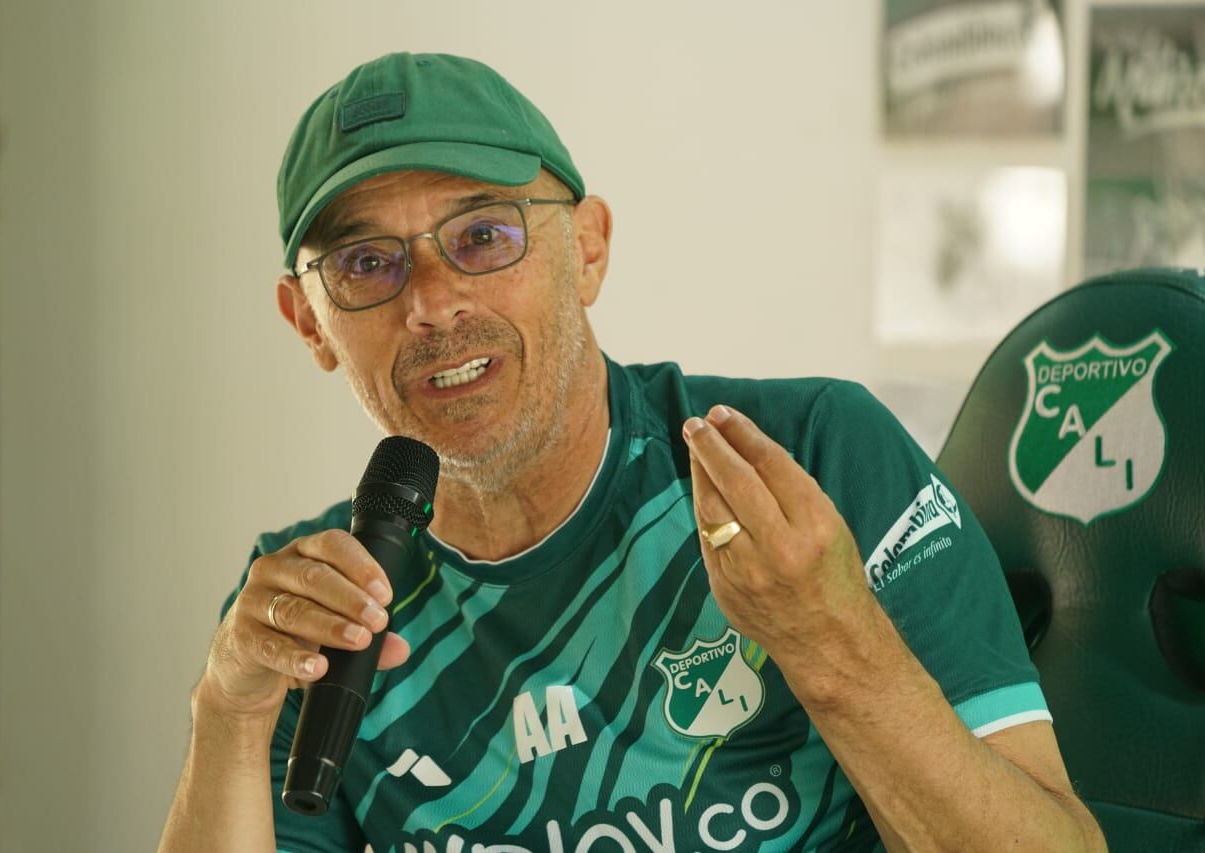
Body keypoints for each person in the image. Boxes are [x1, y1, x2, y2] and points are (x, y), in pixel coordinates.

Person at [159, 53, 1107, 852]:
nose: (434, 301)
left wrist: (830, 645)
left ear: (590, 248)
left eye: (484, 235)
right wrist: (229, 716)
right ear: (310, 322)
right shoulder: (314, 605)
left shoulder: (814, 457)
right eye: (369, 263)